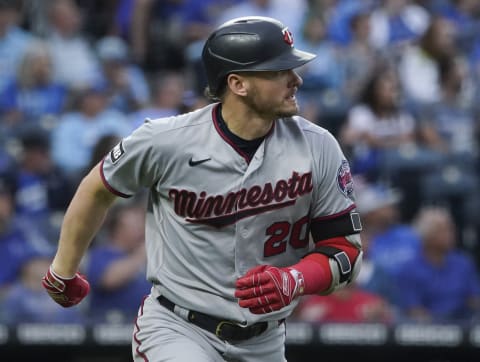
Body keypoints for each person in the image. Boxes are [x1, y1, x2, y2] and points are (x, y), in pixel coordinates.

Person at [42, 17, 363, 362]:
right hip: (178, 328)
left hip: (264, 341)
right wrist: (64, 269)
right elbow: (97, 189)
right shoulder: (167, 140)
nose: (296, 79)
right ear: (237, 84)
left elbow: (345, 250)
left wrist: (296, 279)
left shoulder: (318, 146)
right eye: (278, 70)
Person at [395, 206, 480, 323]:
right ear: (427, 236)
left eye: (451, 229)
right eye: (444, 231)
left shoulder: (463, 263)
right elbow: (413, 310)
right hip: (427, 331)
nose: (451, 235)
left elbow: (474, 299)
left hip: (465, 324)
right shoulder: (409, 270)